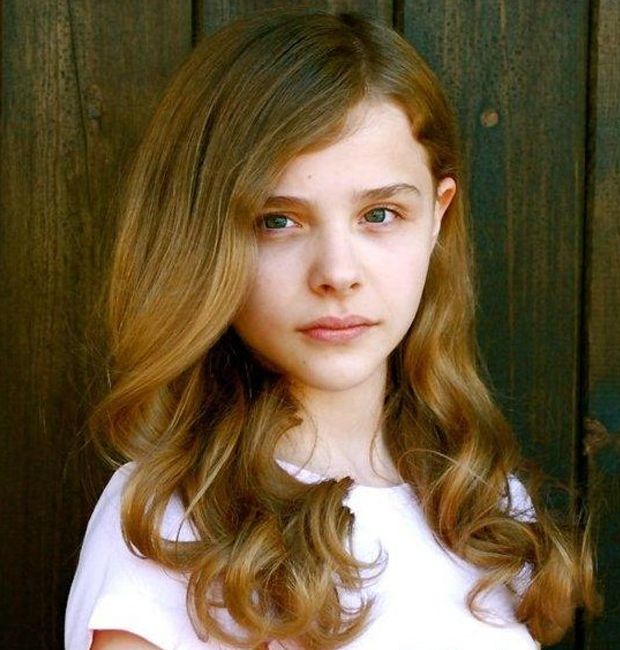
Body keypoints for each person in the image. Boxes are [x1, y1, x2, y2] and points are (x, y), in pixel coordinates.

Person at [64, 9, 599, 650]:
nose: (338, 273)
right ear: (204, 240)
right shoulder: (166, 522)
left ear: (438, 216)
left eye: (380, 213)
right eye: (278, 221)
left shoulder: (485, 507)